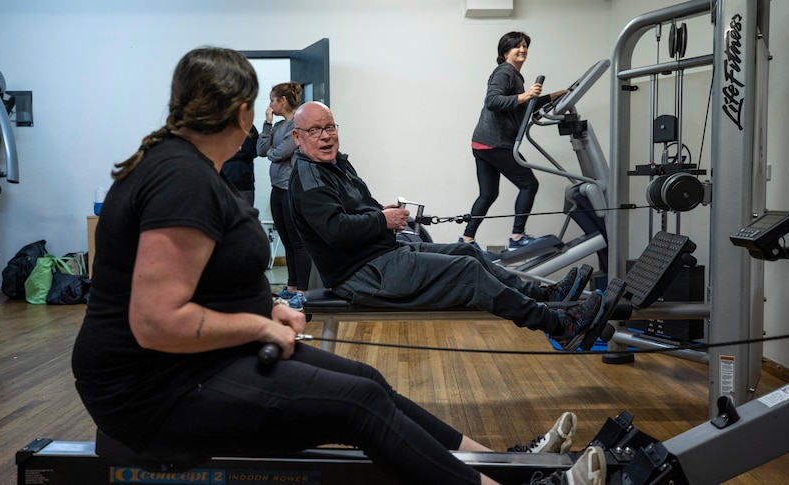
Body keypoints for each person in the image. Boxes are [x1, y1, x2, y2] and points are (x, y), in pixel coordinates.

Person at [70, 46, 604, 485]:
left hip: (194, 364)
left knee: (368, 381)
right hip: (156, 392)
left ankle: (498, 468)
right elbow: (157, 320)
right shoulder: (180, 178)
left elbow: (200, 282)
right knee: (359, 403)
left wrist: (269, 304)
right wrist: (259, 322)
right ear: (244, 114)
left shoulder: (182, 167)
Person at [289, 101, 608, 352]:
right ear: (297, 137)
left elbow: (355, 207)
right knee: (468, 273)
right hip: (362, 275)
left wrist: (379, 211)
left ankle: (547, 294)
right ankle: (561, 326)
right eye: (315, 130)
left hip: (381, 254)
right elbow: (335, 230)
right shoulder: (309, 178)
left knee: (468, 249)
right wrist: (381, 220)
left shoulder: (335, 164)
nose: (326, 136)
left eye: (330, 127)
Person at [462, 31, 568, 251]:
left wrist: (552, 96)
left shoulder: (514, 75)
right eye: (517, 46)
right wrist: (525, 95)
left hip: (483, 143)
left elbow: (521, 105)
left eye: (525, 46)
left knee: (488, 193)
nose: (522, 50)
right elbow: (492, 100)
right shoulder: (505, 72)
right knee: (529, 184)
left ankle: (466, 241)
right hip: (496, 142)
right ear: (505, 51)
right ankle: (517, 238)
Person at [257, 82, 311, 310]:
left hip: (292, 191)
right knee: (287, 241)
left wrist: (272, 151)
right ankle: (290, 288)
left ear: (283, 101)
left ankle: (302, 292)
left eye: (272, 100)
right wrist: (267, 124)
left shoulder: (295, 127)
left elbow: (280, 153)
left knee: (298, 243)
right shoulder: (278, 126)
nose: (269, 105)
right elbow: (261, 150)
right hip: (276, 190)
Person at [221, 125, 260, 205]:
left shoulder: (248, 126)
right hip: (221, 183)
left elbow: (253, 151)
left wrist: (228, 153)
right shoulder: (219, 126)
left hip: (243, 184)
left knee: (244, 215)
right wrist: (239, 151)